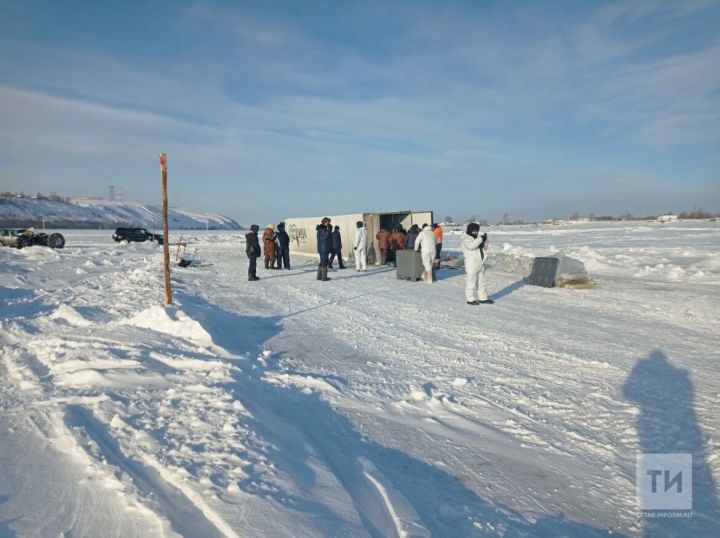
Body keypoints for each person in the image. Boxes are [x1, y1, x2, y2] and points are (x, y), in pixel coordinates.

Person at [462, 222, 493, 304]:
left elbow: (483, 250)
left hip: (480, 263)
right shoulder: (466, 239)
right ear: (469, 230)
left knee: (482, 282)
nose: (475, 232)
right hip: (471, 264)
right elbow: (471, 246)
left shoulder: (477, 239)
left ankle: (483, 298)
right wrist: (480, 239)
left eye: (477, 231)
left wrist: (485, 243)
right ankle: (470, 299)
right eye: (474, 231)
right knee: (471, 282)